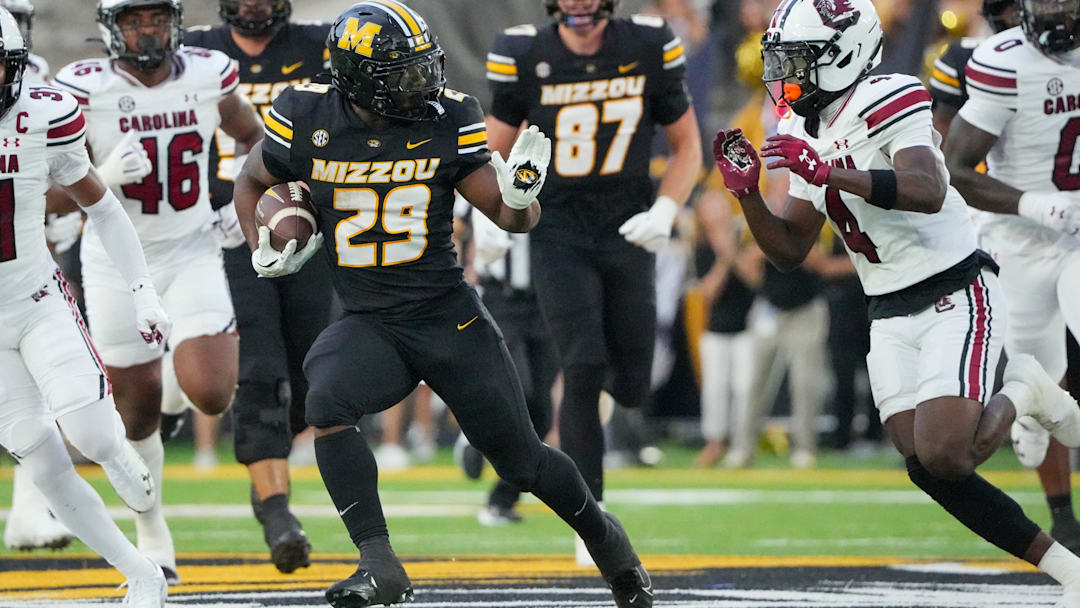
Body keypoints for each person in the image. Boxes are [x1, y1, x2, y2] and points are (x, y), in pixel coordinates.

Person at [233, 2, 653, 606]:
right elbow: (252, 181)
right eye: (400, 72)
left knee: (522, 462)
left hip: (446, 316)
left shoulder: (449, 117)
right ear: (354, 76)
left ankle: (615, 553)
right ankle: (379, 565)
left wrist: (525, 192)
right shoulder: (305, 113)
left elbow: (510, 216)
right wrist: (259, 246)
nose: (421, 82)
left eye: (422, 66)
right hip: (370, 319)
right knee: (326, 398)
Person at [713, 0, 1080, 604]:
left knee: (947, 452)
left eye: (797, 60)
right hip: (885, 308)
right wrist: (749, 196)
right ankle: (1068, 568)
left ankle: (1025, 390)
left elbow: (929, 189)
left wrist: (831, 174)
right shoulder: (802, 127)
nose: (785, 75)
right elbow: (789, 250)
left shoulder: (890, 94)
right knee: (923, 462)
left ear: (844, 54)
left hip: (954, 286)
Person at [52, 0, 263, 583]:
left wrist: (239, 207)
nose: (146, 29)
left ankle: (176, 389)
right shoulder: (79, 88)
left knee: (212, 393)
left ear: (174, 21)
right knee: (135, 413)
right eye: (132, 20)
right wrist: (99, 179)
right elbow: (38, 186)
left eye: (155, 17)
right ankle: (152, 532)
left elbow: (257, 141)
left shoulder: (205, 73)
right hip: (115, 261)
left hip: (191, 248)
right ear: (110, 29)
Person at [485, 0, 701, 564]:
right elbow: (489, 151)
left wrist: (667, 208)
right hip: (558, 229)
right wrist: (487, 218)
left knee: (631, 382)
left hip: (629, 223)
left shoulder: (648, 45)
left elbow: (686, 145)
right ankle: (592, 521)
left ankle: (617, 406)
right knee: (580, 366)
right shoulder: (526, 52)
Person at [0, 5, 171, 604]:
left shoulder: (41, 115)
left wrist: (142, 289)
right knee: (43, 464)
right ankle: (141, 572)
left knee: (92, 434)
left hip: (36, 297)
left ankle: (119, 453)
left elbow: (100, 206)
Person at [183, 0, 333, 574]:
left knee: (307, 375)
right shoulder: (193, 53)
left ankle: (267, 463)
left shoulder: (322, 44)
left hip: (307, 228)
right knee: (260, 368)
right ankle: (277, 513)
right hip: (223, 233)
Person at [931, 0, 1080, 552]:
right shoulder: (989, 59)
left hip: (1073, 233)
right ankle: (1031, 411)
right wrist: (1035, 205)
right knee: (1037, 376)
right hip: (1007, 232)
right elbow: (946, 159)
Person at [455, 202, 560, 525]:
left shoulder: (555, 171)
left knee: (541, 411)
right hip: (501, 298)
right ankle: (476, 434)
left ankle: (502, 499)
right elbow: (454, 227)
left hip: (546, 300)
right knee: (518, 391)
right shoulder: (487, 170)